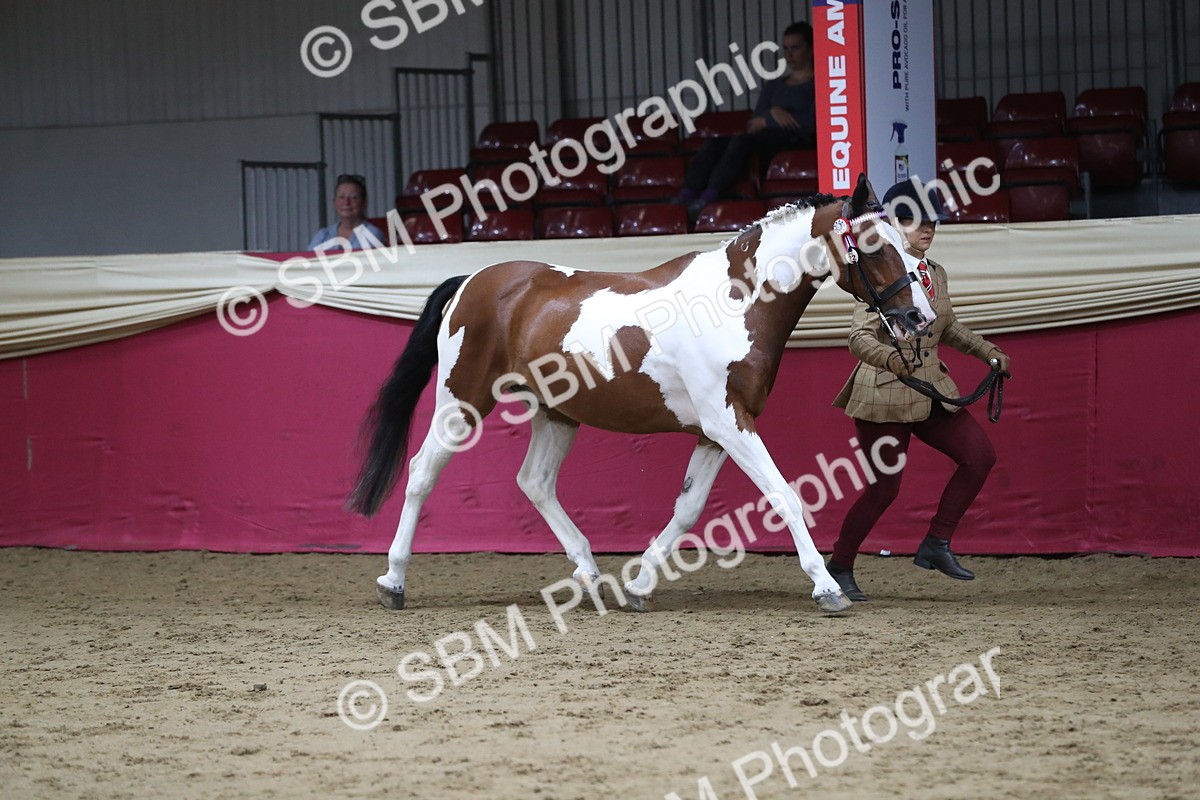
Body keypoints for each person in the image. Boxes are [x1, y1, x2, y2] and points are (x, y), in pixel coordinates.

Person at [826, 179, 1012, 601]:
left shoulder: (936, 273)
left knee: (979, 456)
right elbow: (859, 338)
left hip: (929, 389)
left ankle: (937, 542)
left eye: (932, 222)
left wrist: (989, 352)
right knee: (884, 489)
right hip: (883, 394)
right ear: (895, 225)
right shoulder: (881, 270)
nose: (927, 228)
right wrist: (890, 358)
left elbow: (949, 326)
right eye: (914, 221)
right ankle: (839, 565)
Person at [676, 22, 817, 219]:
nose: (789, 54)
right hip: (765, 139)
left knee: (742, 142)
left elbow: (810, 126)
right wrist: (773, 115)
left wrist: (769, 118)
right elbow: (753, 124)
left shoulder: (817, 85)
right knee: (714, 143)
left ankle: (711, 195)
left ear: (811, 49)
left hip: (796, 141)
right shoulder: (774, 85)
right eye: (785, 48)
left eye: (795, 48)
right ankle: (687, 194)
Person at [308, 174, 384, 251]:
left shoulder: (372, 234)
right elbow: (308, 260)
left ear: (364, 203)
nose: (346, 202)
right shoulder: (323, 235)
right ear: (334, 202)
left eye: (354, 198)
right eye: (341, 197)